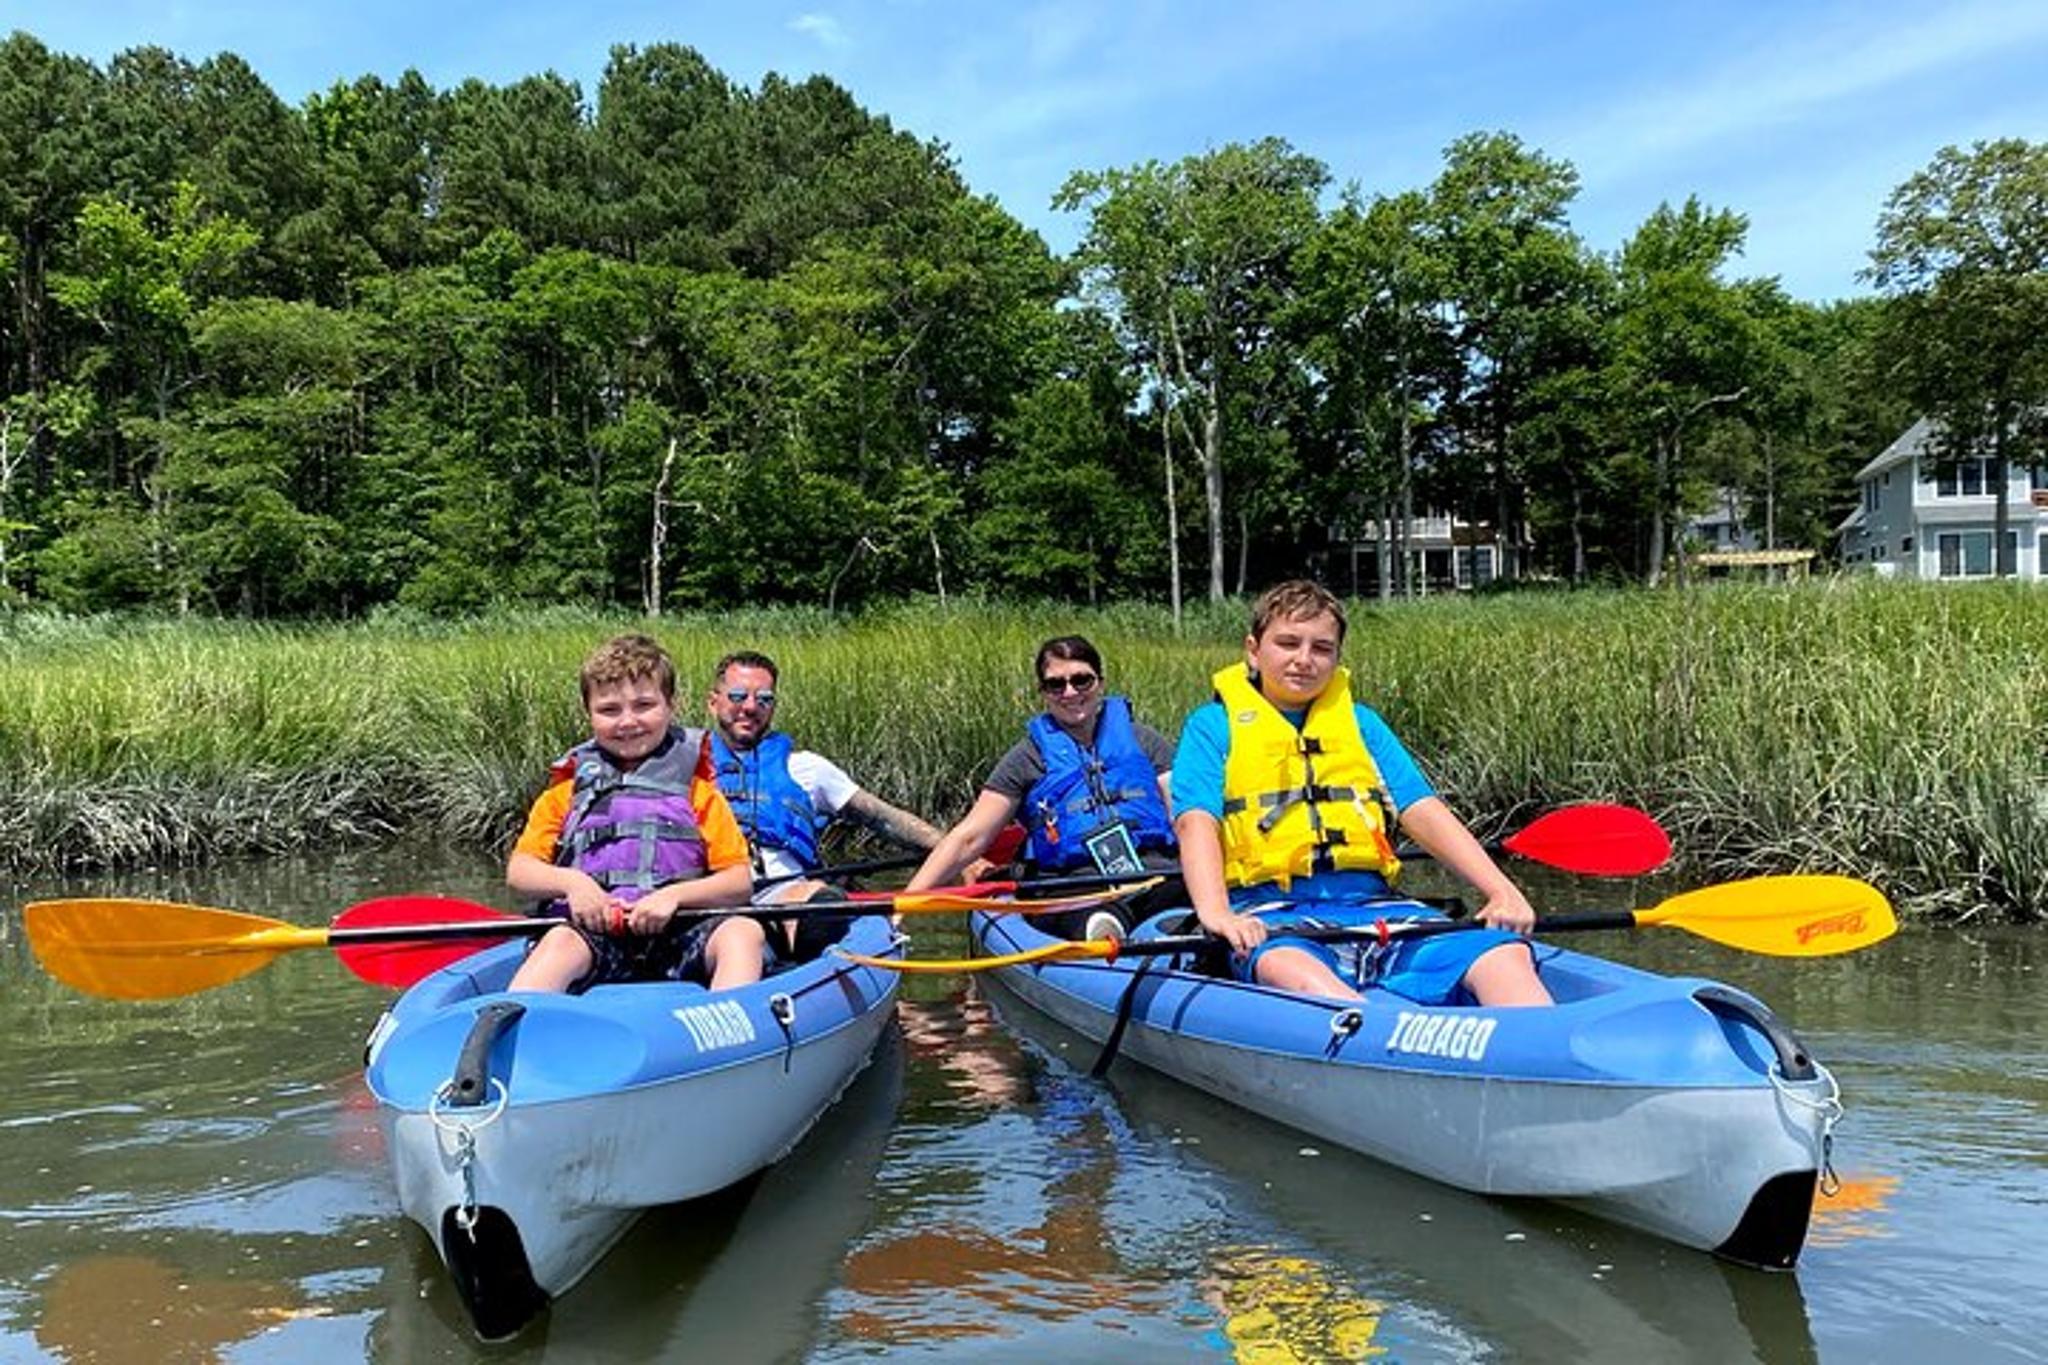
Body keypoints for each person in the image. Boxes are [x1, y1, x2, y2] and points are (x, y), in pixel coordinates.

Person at [1172, 580, 1552, 1006]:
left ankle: (1543, 1046)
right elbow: (1196, 822)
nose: (1304, 659)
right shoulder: (1212, 726)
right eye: (1288, 643)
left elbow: (1421, 809)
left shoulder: (1362, 724)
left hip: (1377, 909)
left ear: (1337, 658)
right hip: (1269, 916)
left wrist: (1501, 890)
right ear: (1253, 650)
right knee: (1291, 970)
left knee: (1506, 955)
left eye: (1322, 648)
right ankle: (1366, 1033)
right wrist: (1217, 913)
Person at [506, 634, 759, 994]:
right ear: (588, 714)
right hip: (595, 936)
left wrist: (673, 897)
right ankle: (516, 1028)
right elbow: (520, 873)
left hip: (681, 930)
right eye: (609, 710)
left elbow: (737, 883)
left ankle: (731, 1025)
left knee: (742, 932)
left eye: (644, 705)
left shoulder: (698, 792)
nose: (627, 721)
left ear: (671, 705)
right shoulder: (565, 794)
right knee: (559, 943)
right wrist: (575, 885)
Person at [906, 635, 1177, 939]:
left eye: (1081, 680)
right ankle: (1103, 937)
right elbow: (970, 838)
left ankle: (1182, 935)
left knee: (1180, 898)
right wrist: (905, 901)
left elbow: (1185, 815)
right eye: (1056, 684)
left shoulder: (1144, 742)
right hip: (1073, 886)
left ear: (1100, 683)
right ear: (1043, 693)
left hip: (1153, 875)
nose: (1070, 692)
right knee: (1093, 919)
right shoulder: (1027, 758)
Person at [707, 649, 946, 959]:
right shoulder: (682, 766)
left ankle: (804, 955)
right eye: (738, 696)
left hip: (781, 894)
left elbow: (885, 819)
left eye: (764, 699)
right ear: (713, 702)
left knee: (818, 907)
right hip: (709, 890)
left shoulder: (807, 768)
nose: (751, 707)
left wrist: (962, 854)